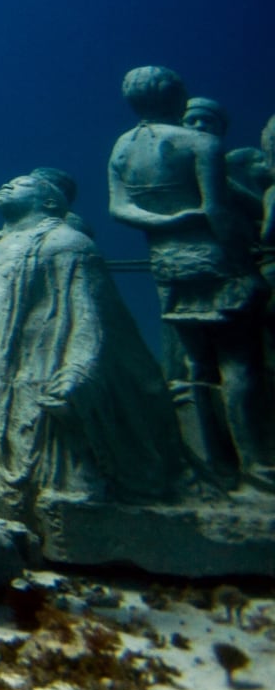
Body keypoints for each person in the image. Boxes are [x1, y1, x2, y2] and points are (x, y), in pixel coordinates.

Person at [0, 173, 184, 511]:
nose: (8, 184)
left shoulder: (69, 243)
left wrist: (78, 370)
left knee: (65, 471)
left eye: (21, 184)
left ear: (49, 202)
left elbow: (90, 315)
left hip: (45, 368)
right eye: (9, 181)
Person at [108, 66, 273, 489]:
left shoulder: (123, 148)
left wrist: (166, 222)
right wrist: (241, 261)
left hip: (168, 265)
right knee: (240, 365)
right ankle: (256, 464)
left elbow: (120, 209)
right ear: (178, 97)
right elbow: (216, 209)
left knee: (194, 365)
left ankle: (207, 465)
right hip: (217, 261)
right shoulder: (200, 143)